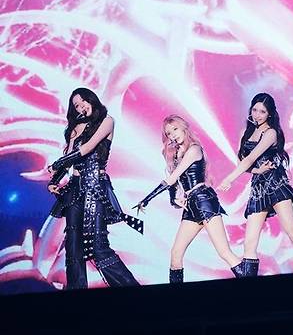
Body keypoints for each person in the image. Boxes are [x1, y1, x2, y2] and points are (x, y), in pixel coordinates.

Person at [47, 87, 141, 289]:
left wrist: (56, 164)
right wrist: (54, 180)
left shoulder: (107, 121)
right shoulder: (76, 128)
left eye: (83, 101)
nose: (80, 107)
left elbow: (88, 148)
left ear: (92, 99)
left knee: (98, 247)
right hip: (74, 189)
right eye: (76, 105)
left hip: (95, 187)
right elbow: (69, 159)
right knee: (73, 248)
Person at [134, 115, 245, 282]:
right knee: (176, 254)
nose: (172, 135)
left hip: (204, 201)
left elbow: (172, 178)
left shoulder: (194, 149)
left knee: (224, 252)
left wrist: (146, 199)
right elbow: (174, 182)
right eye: (168, 133)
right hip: (191, 205)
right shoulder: (175, 153)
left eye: (175, 129)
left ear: (184, 128)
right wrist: (174, 199)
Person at [219, 93, 293, 275]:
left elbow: (250, 158)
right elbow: (243, 161)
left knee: (292, 232)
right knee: (249, 243)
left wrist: (229, 179)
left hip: (275, 184)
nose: (257, 115)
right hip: (258, 188)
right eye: (255, 110)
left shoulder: (271, 133)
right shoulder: (246, 133)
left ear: (270, 114)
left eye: (262, 112)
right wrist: (257, 171)